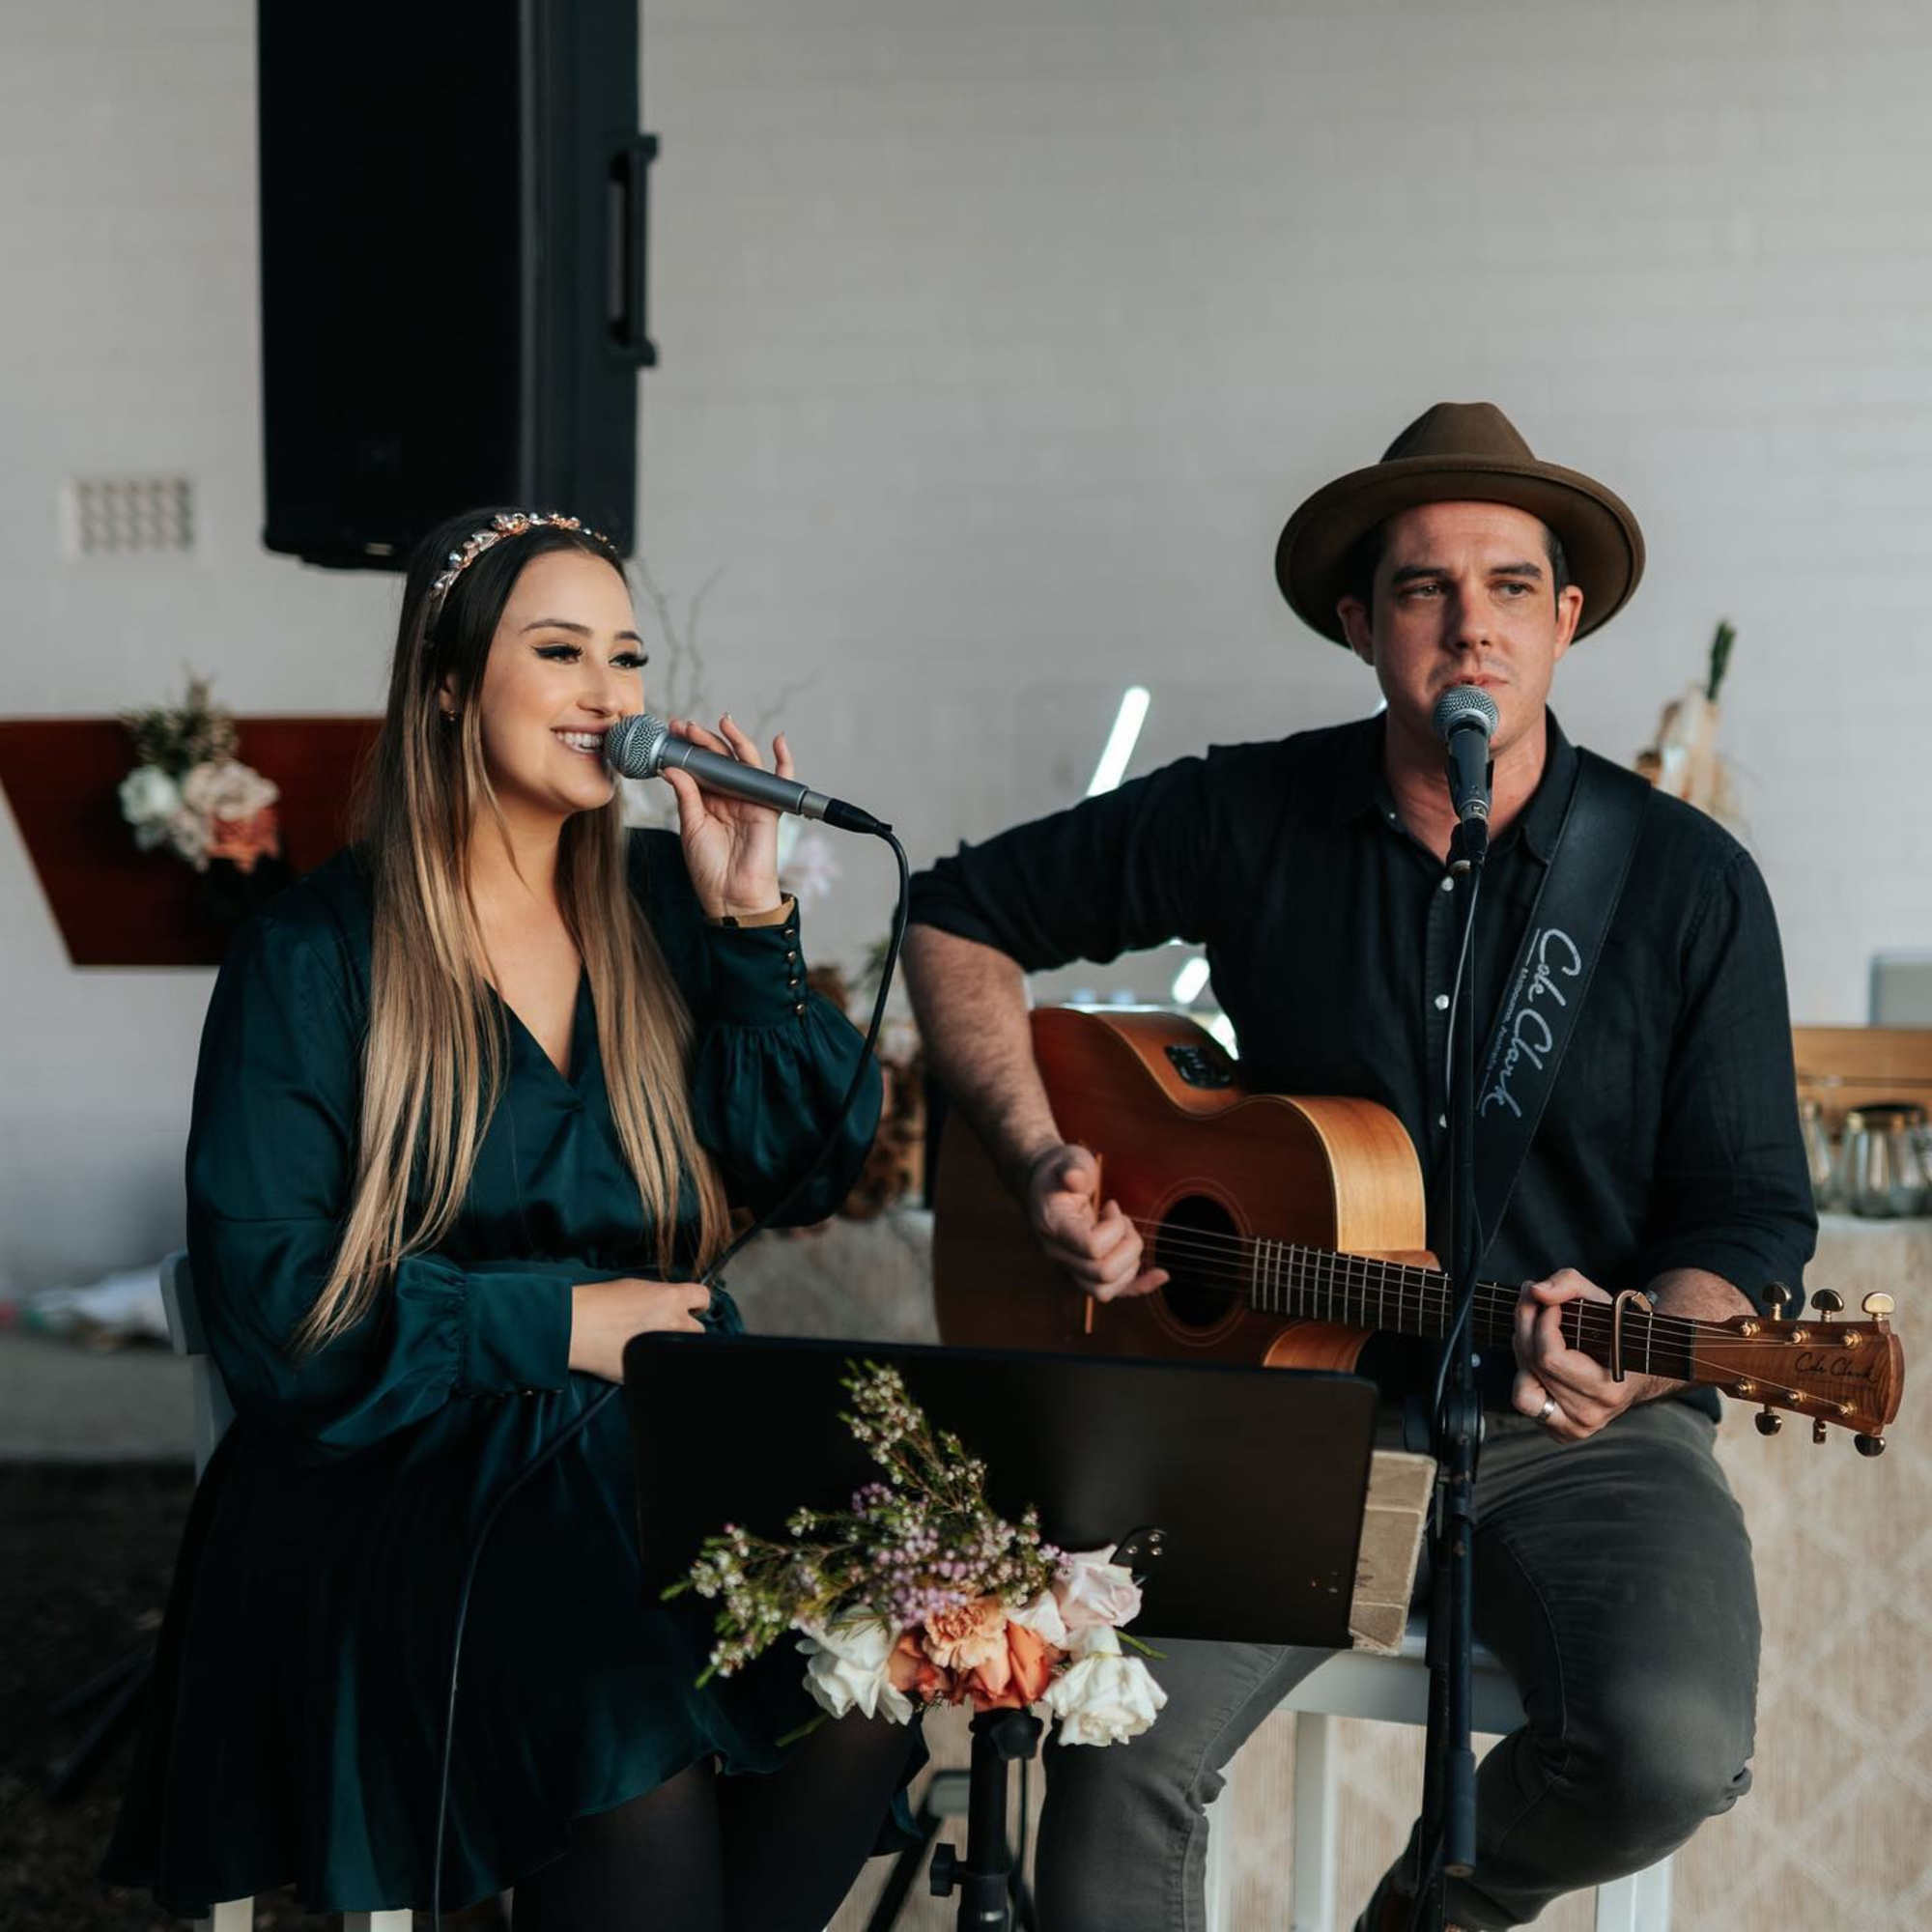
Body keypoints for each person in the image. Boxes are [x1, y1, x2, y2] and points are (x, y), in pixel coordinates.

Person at [903, 403, 1815, 1931]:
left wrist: (1646, 1350)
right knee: (1113, 1750)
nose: (1472, 627)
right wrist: (1044, 1152)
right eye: (1423, 589)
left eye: (1512, 587)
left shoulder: (1686, 882)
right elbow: (952, 916)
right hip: (1281, 1406)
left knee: (1667, 1747)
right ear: (1358, 621)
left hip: (1568, 1429)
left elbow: (1751, 1207)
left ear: (1567, 617)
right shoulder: (1247, 810)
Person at [107, 508, 913, 1931]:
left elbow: (803, 1169)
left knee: (861, 1692)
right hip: (396, 1475)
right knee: (628, 1730)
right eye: (560, 652)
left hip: (639, 1462)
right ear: (446, 687)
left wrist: (748, 931)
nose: (610, 695)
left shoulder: (667, 911)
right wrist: (557, 1319)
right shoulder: (313, 956)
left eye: (625, 656)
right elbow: (274, 1308)